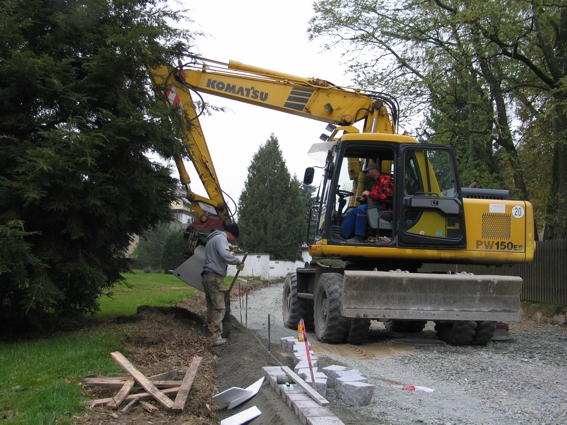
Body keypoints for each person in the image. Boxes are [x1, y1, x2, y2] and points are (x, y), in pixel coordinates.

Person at [201, 222, 245, 346]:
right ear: (231, 233)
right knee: (219, 307)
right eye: (234, 237)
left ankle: (209, 334)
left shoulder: (212, 238)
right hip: (214, 277)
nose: (233, 240)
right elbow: (225, 254)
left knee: (211, 305)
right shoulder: (221, 238)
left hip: (207, 275)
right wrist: (237, 261)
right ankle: (216, 337)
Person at [341, 163, 394, 243]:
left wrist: (369, 194)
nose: (367, 175)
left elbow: (386, 196)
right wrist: (365, 199)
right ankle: (343, 235)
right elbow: (376, 197)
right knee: (354, 211)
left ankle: (359, 237)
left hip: (385, 207)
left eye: (368, 172)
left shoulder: (386, 179)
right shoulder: (376, 182)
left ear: (374, 170)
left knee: (362, 209)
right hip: (377, 205)